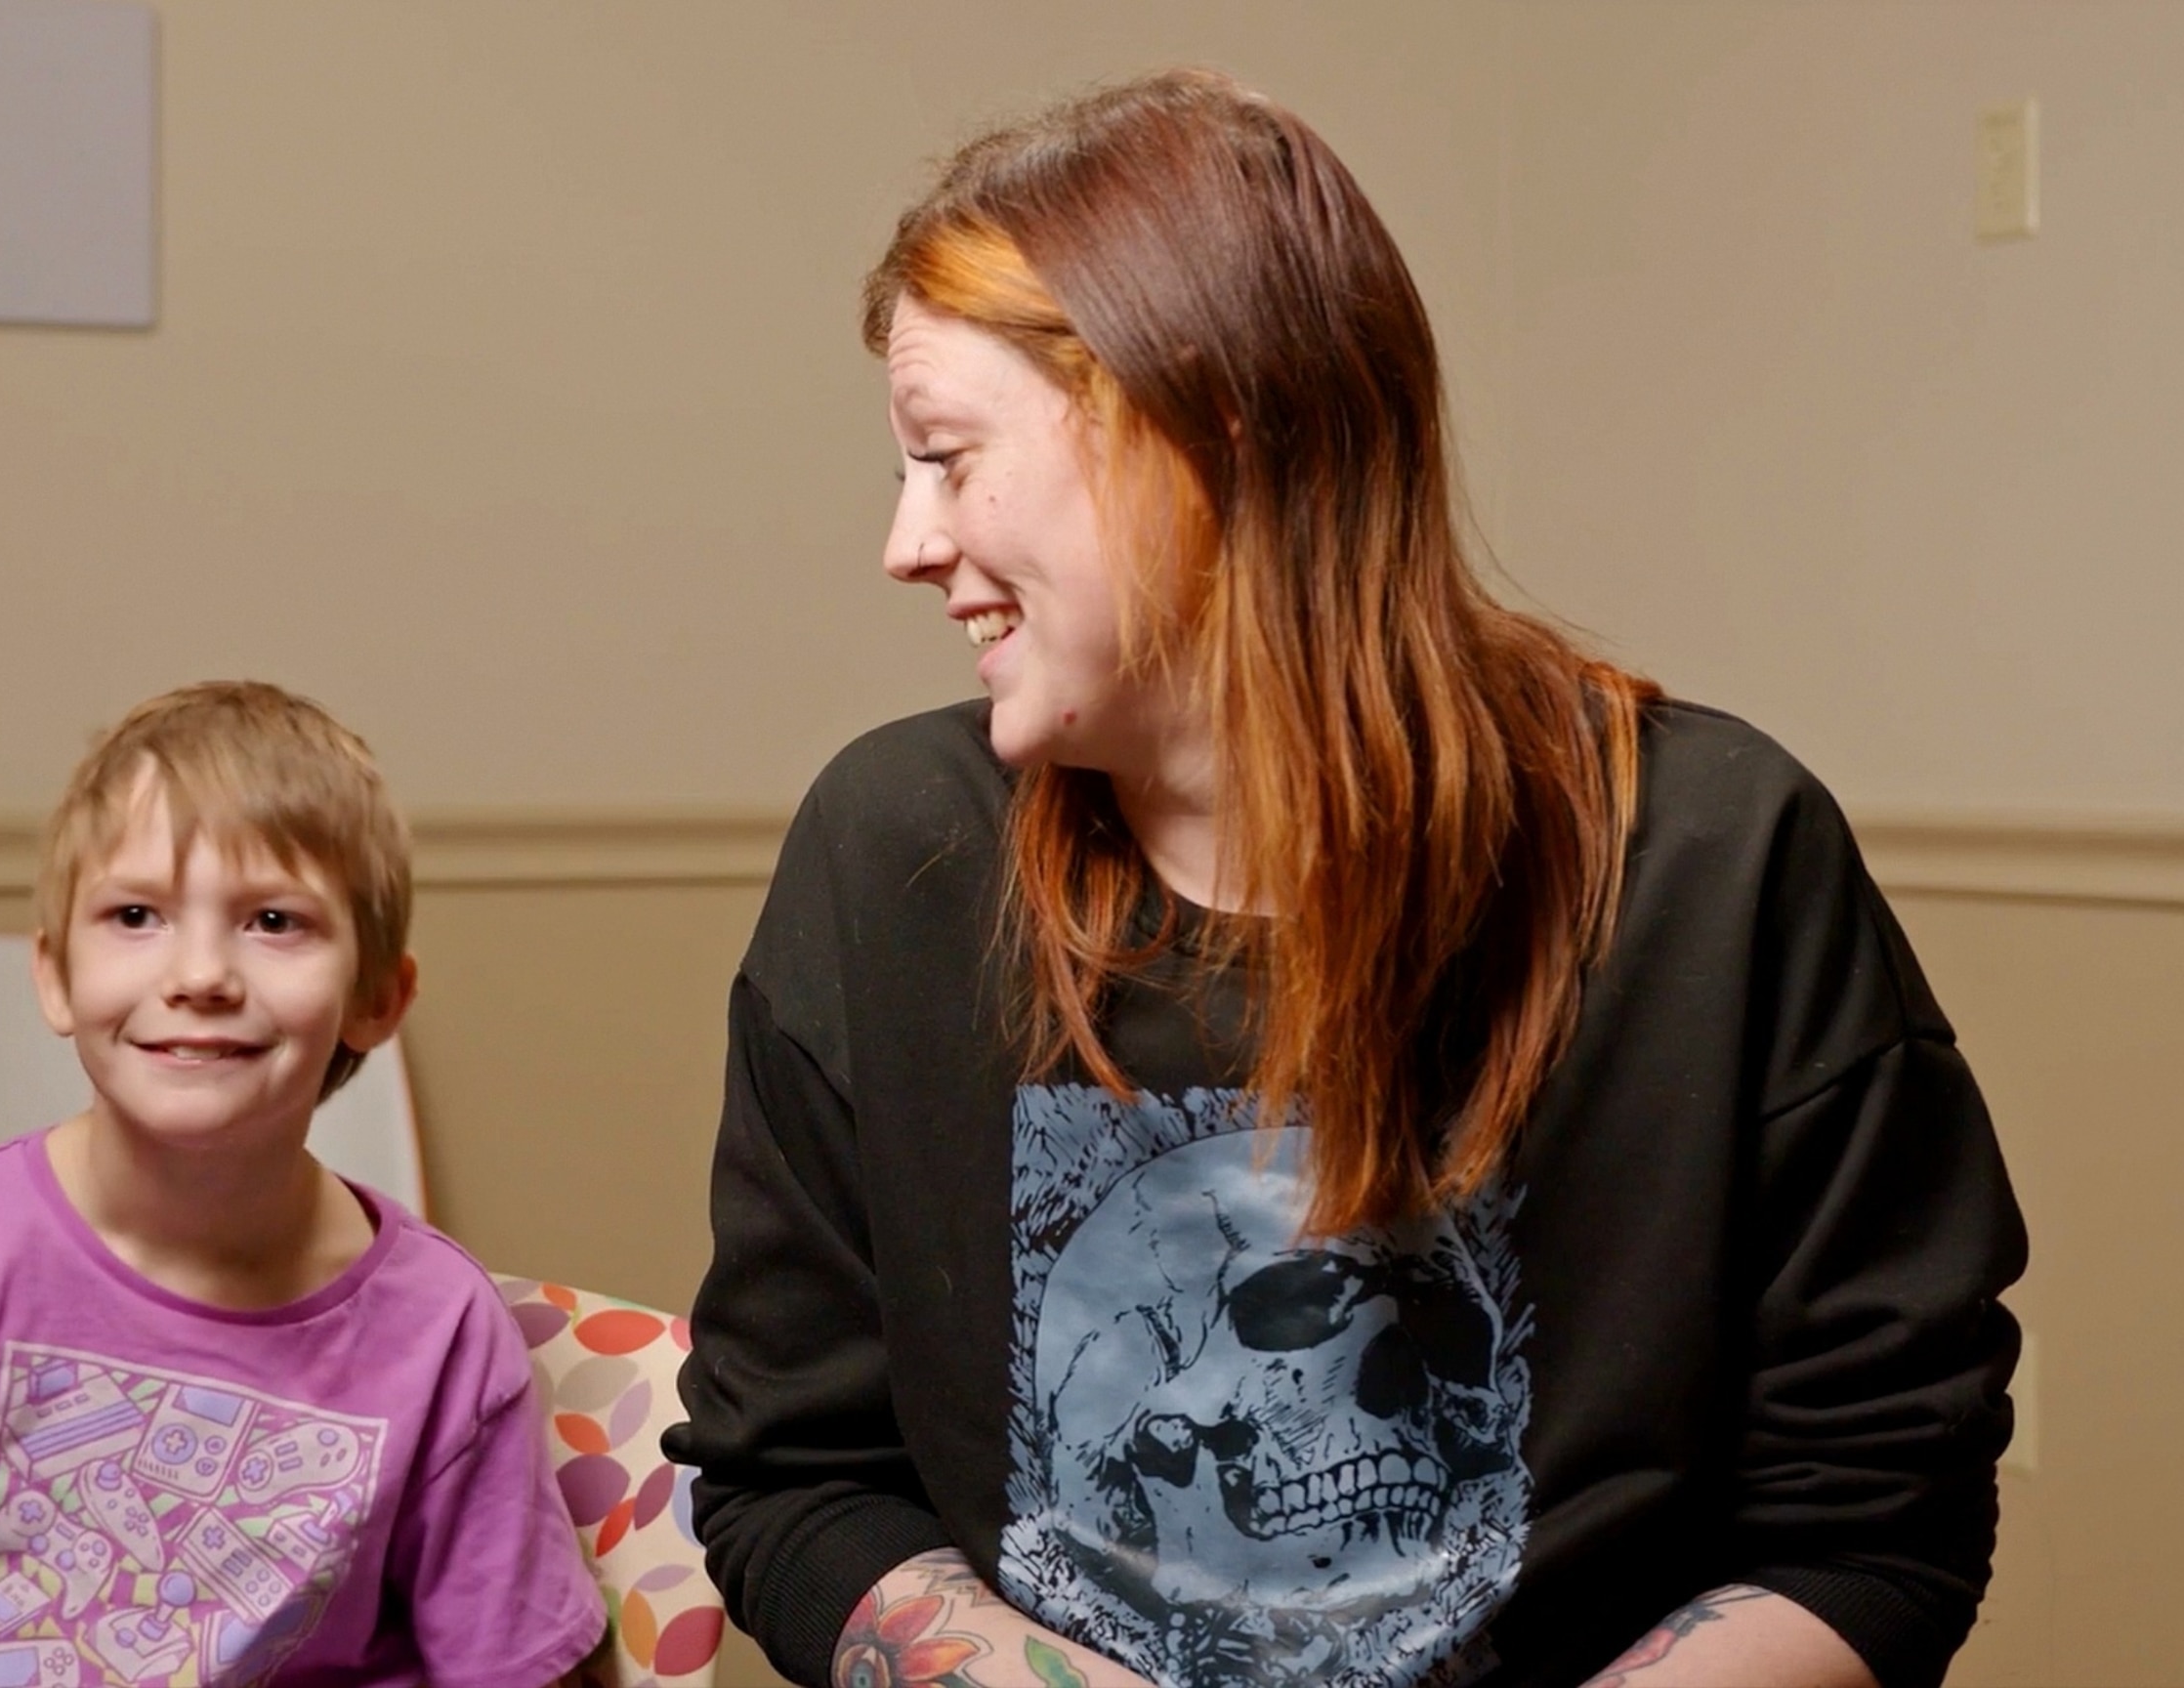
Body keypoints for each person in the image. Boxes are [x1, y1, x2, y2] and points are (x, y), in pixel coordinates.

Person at [665, 68, 2025, 1688]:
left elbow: (1873, 1514)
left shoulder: (1716, 861)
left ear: (1205, 426)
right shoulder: (888, 851)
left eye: (948, 456)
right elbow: (791, 1472)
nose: (905, 540)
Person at [0, 682, 605, 1688]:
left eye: (274, 921)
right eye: (135, 914)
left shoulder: (442, 1332)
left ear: (375, 999)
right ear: (55, 975)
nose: (201, 974)